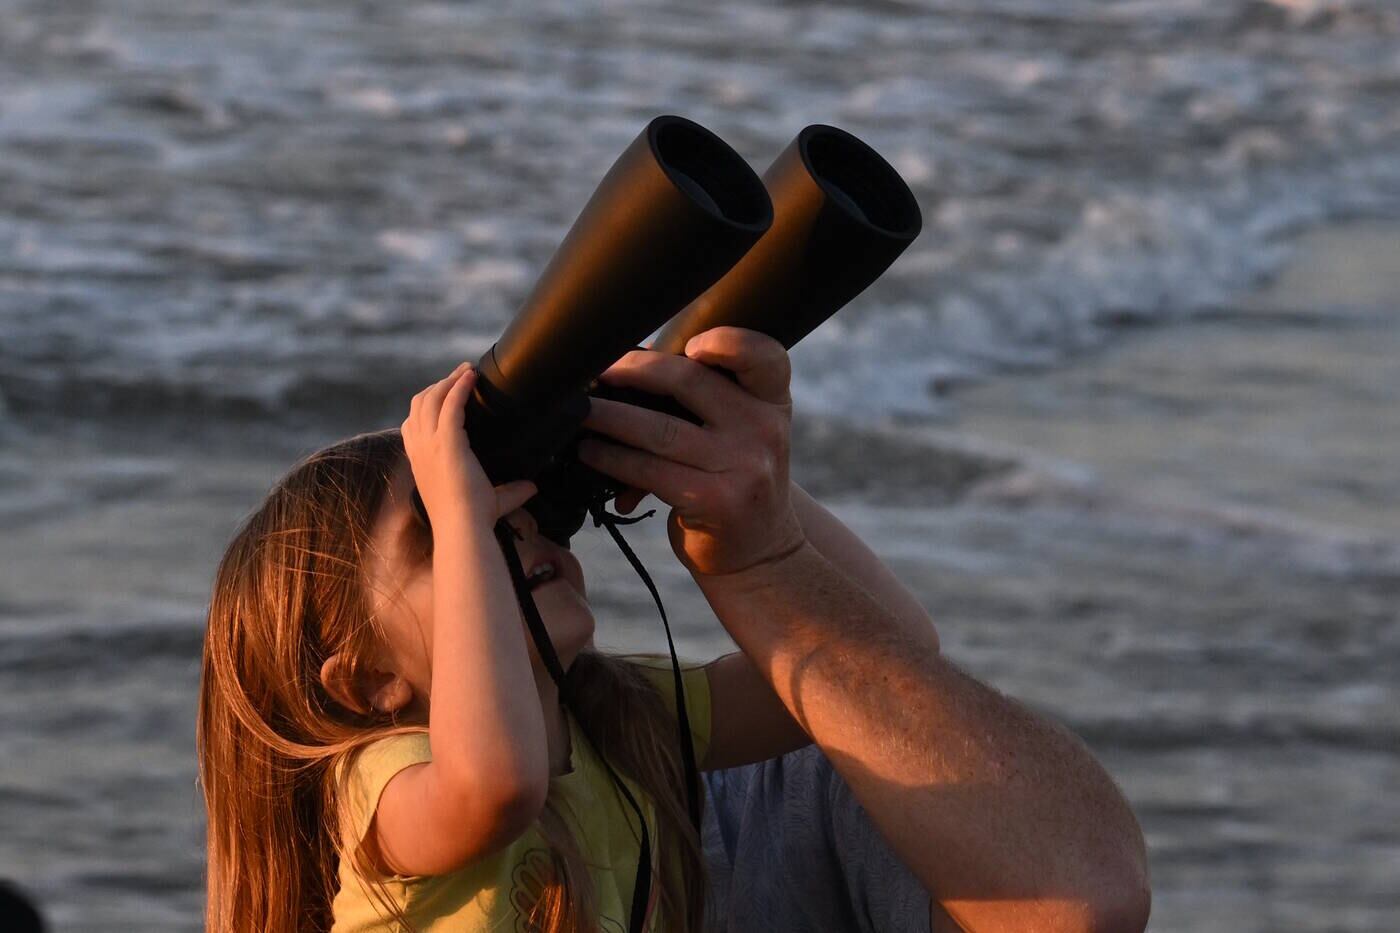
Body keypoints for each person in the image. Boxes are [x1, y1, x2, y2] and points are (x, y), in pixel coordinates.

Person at [196, 322, 1149, 933]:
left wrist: (751, 515)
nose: (512, 527)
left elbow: (887, 651)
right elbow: (495, 783)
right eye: (447, 535)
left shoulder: (615, 721)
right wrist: (455, 492)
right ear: (365, 682)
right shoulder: (381, 778)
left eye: (513, 512)